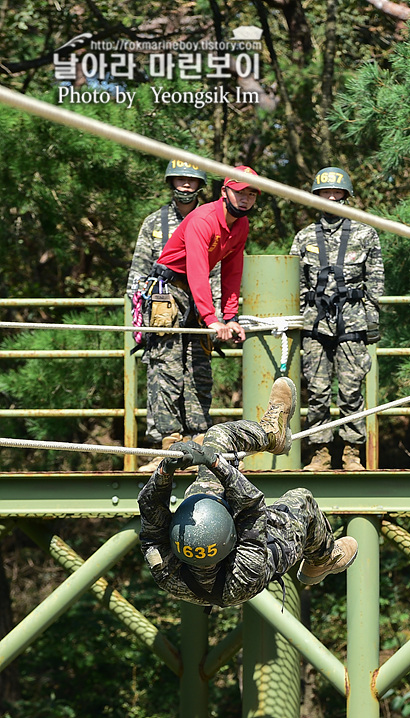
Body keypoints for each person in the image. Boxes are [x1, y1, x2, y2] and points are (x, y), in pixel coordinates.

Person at [138, 377, 359, 607]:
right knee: (303, 502)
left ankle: (272, 435)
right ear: (232, 530)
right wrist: (215, 464)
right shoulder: (248, 570)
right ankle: (324, 558)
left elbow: (149, 506)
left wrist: (166, 469)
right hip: (257, 557)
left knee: (216, 437)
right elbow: (252, 505)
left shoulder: (163, 563)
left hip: (213, 542)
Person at [137, 166, 260, 469]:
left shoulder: (240, 225)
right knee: (167, 365)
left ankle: (198, 442)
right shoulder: (204, 219)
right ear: (224, 192)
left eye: (251, 193)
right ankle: (168, 445)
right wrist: (211, 317)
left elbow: (232, 271)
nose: (244, 199)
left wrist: (230, 317)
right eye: (240, 192)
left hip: (197, 293)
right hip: (170, 291)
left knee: (198, 365)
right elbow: (195, 269)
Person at [127, 160, 221, 471]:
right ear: (171, 182)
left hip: (200, 304)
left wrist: (217, 315)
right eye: (179, 179)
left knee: (198, 372)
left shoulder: (211, 219)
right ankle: (166, 445)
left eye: (190, 180)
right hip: (163, 307)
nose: (184, 185)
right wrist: (138, 317)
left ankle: (197, 444)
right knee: (162, 373)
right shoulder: (154, 223)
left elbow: (218, 268)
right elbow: (138, 273)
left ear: (200, 185)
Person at [289, 167, 384, 471]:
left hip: (353, 322)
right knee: (316, 391)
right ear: (316, 197)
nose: (332, 197)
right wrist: (300, 319)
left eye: (337, 192)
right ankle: (320, 452)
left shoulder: (365, 234)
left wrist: (371, 320)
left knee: (351, 389)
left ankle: (352, 453)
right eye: (325, 193)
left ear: (346, 195)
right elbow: (296, 283)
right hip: (315, 323)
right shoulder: (303, 238)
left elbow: (376, 281)